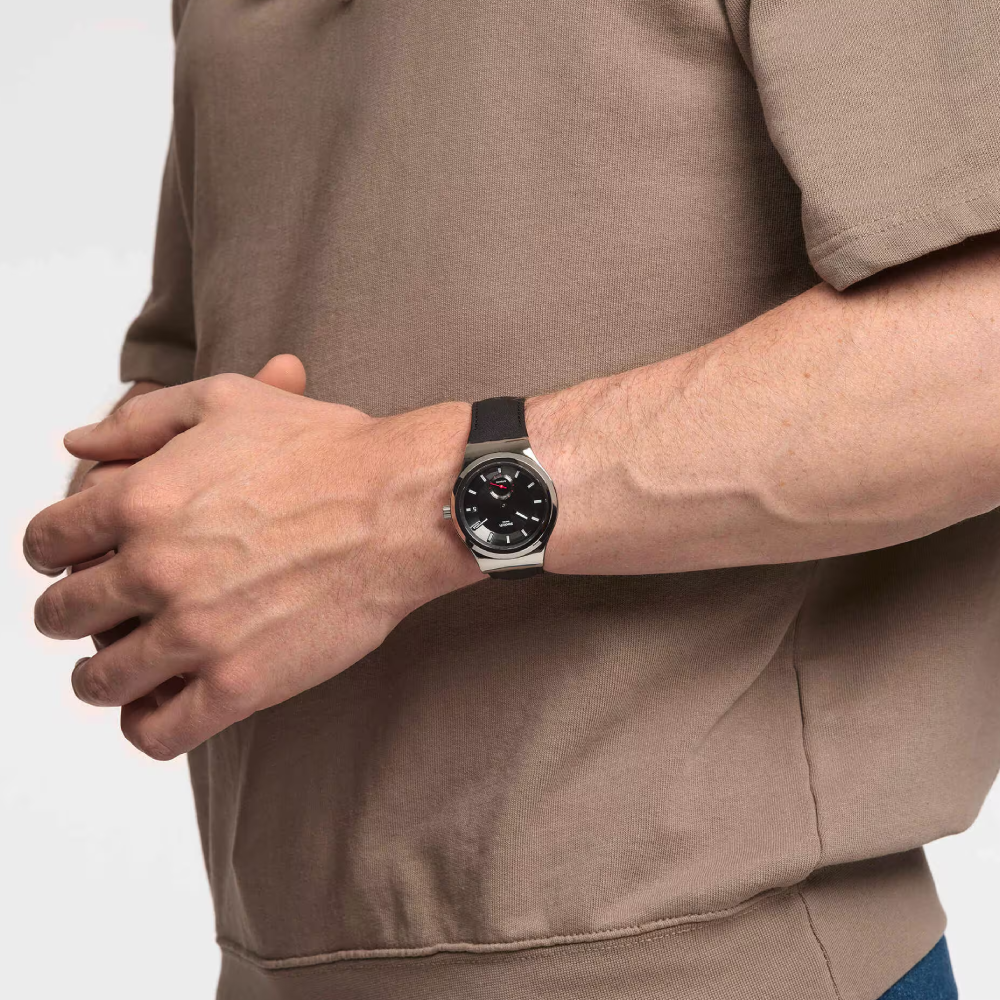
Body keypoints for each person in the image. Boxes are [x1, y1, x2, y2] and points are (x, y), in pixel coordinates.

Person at [23, 1, 1000, 997]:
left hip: (722, 961)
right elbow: (187, 376)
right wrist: (141, 522)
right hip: (277, 963)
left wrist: (399, 508)